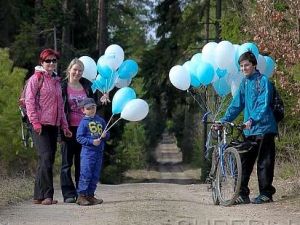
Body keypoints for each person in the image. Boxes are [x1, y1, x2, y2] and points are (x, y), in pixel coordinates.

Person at [220, 51, 278, 204]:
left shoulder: (263, 81)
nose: (244, 68)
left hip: (264, 128)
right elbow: (236, 104)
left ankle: (266, 194)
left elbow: (263, 105)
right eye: (241, 66)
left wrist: (252, 119)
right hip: (249, 129)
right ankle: (242, 194)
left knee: (264, 163)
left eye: (246, 65)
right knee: (245, 161)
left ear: (254, 65)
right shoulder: (245, 83)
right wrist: (223, 120)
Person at [25, 48, 72, 205]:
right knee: (45, 157)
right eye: (48, 61)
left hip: (53, 126)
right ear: (42, 62)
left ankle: (38, 195)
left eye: (54, 60)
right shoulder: (35, 79)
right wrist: (36, 123)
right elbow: (29, 102)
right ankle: (48, 195)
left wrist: (64, 126)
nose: (51, 63)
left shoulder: (57, 81)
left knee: (47, 160)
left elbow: (60, 107)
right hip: (39, 125)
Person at [60, 58, 96, 203]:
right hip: (68, 129)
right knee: (66, 164)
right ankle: (68, 194)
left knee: (82, 163)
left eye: (80, 70)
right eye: (75, 69)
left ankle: (82, 193)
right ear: (69, 70)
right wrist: (60, 131)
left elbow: (93, 106)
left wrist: (103, 99)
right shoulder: (62, 86)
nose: (77, 72)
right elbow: (59, 108)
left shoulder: (86, 86)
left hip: (85, 130)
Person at [76, 97, 110, 206]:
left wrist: (105, 136)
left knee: (95, 175)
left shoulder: (101, 120)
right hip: (88, 154)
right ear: (83, 110)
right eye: (89, 108)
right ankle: (82, 196)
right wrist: (91, 142)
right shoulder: (83, 123)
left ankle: (90, 195)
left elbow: (107, 134)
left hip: (98, 153)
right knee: (86, 174)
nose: (92, 109)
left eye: (93, 107)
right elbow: (79, 137)